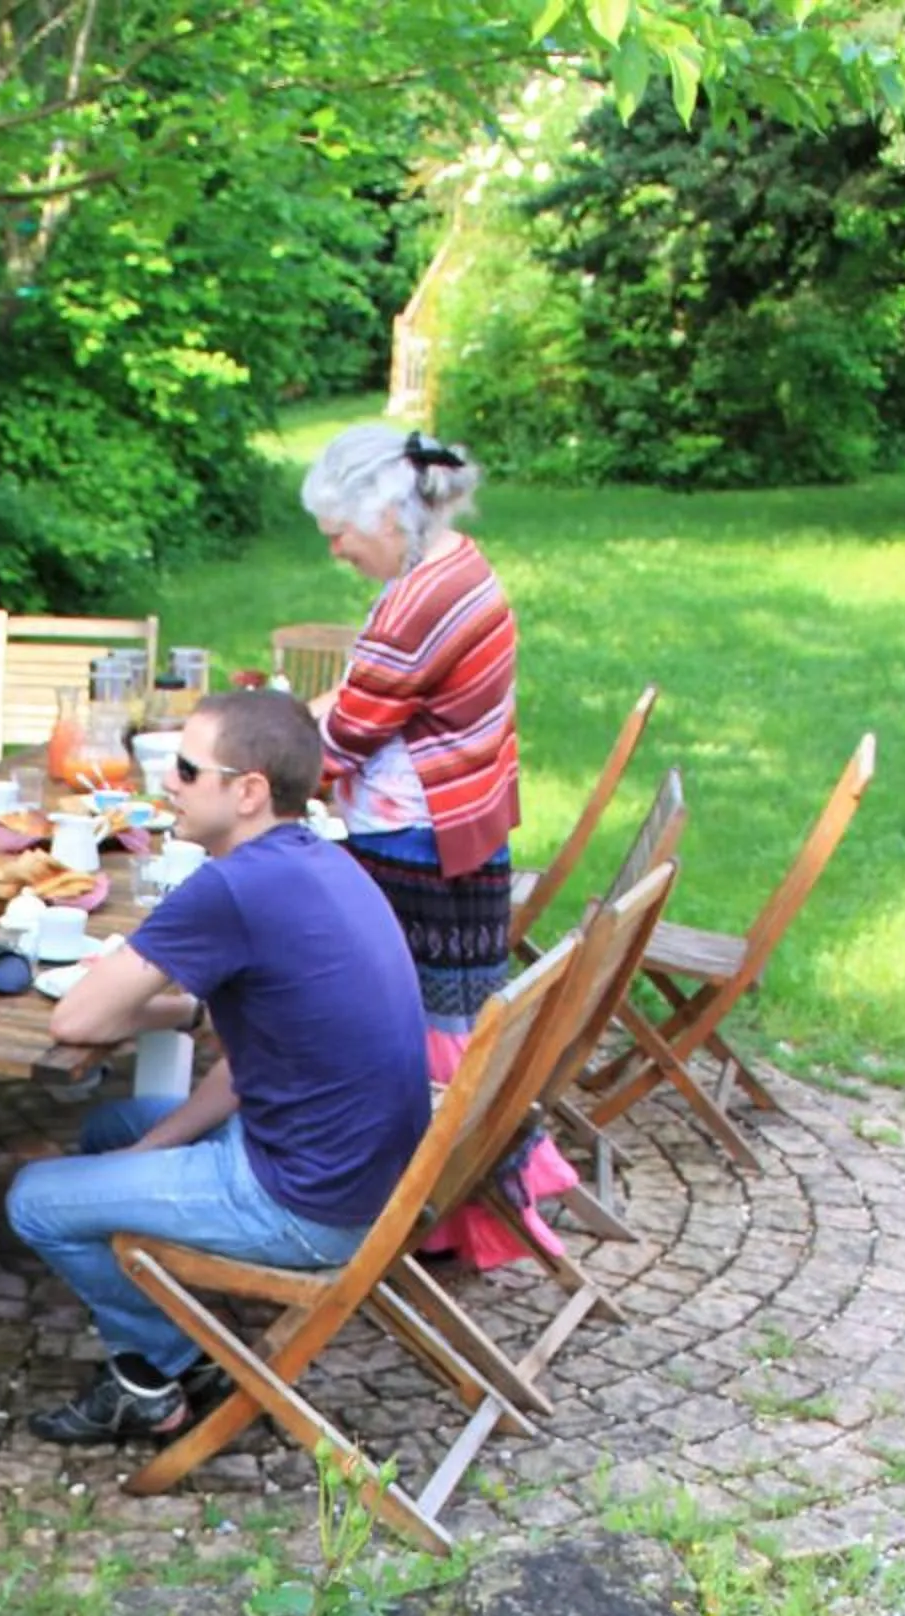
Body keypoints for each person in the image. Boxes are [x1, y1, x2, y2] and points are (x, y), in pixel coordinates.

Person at [7, 689, 430, 1448]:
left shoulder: (232, 886)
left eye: (186, 769)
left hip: (305, 1206)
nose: (166, 782)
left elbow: (76, 1022)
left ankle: (157, 1371)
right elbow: (248, 1063)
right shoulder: (318, 860)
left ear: (247, 791)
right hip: (362, 1173)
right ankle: (167, 1333)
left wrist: (127, 993)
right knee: (110, 1127)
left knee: (34, 1199)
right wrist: (151, 1132)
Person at [301, 420, 575, 1265]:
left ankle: (459, 1209)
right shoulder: (459, 566)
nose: (338, 553)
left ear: (385, 516)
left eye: (338, 535)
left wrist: (256, 751)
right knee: (451, 1024)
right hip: (454, 829)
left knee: (418, 1031)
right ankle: (464, 1209)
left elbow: (341, 739)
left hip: (415, 841)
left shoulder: (421, 600)